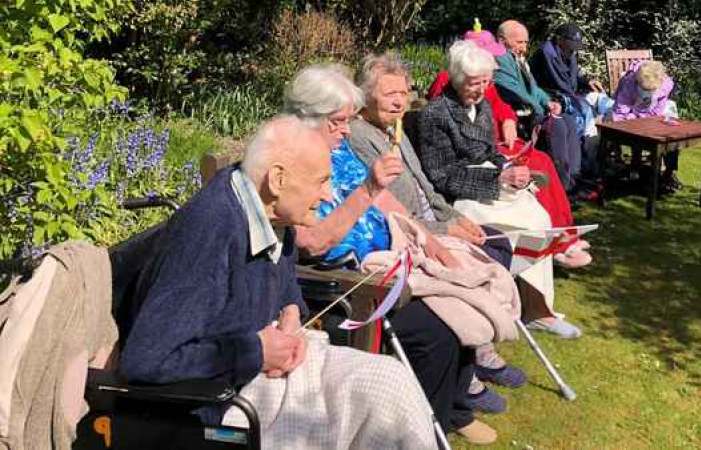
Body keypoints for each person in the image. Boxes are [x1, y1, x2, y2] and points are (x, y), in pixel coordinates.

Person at [118, 115, 436, 450]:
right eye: (321, 181)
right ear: (278, 179)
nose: (328, 195)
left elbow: (284, 282)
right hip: (223, 401)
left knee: (390, 382)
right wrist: (256, 351)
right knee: (375, 408)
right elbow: (147, 359)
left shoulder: (273, 216)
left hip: (265, 367)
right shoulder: (210, 229)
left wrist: (291, 312)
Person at [282, 65, 499, 445]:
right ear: (307, 117)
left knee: (461, 295)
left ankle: (447, 413)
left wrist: (430, 243)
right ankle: (416, 431)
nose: (346, 129)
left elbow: (383, 197)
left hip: (394, 258)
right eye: (338, 121)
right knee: (437, 330)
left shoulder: (336, 149)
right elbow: (311, 242)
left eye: (348, 120)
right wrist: (367, 189)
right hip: (352, 285)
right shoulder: (292, 163)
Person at [417, 40, 583, 339]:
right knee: (525, 225)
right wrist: (497, 181)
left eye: (485, 82)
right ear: (456, 79)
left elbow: (489, 151)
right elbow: (441, 176)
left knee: (539, 217)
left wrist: (507, 169)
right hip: (462, 194)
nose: (481, 90)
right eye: (473, 83)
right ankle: (518, 305)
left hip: (491, 181)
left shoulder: (479, 105)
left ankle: (537, 308)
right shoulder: (435, 115)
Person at [427, 29, 592, 267]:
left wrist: (509, 120)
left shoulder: (482, 83)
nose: (494, 63)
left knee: (542, 160)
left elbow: (500, 107)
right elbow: (450, 144)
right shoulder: (449, 88)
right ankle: (554, 242)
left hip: (493, 147)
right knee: (536, 164)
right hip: (480, 159)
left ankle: (564, 233)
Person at [494, 20, 587, 202]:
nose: (524, 47)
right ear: (502, 40)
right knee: (559, 126)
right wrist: (540, 108)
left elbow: (534, 88)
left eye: (526, 42)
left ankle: (574, 178)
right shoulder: (500, 60)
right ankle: (563, 186)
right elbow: (513, 89)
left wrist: (548, 102)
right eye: (519, 42)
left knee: (568, 120)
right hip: (518, 113)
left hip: (532, 108)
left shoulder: (516, 58)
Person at [529, 23, 614, 179]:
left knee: (608, 103)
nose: (573, 50)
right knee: (586, 113)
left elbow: (571, 80)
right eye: (571, 45)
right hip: (555, 98)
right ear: (560, 40)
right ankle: (588, 164)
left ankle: (605, 154)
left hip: (572, 93)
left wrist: (587, 82)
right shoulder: (545, 55)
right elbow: (546, 84)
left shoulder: (568, 54)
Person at [612, 60, 682, 193]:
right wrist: (635, 119)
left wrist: (646, 118)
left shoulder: (666, 85)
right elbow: (620, 113)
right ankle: (635, 167)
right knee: (636, 134)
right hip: (628, 115)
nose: (646, 92)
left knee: (672, 137)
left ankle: (668, 174)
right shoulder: (629, 83)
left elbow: (657, 111)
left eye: (650, 90)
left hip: (650, 115)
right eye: (643, 89)